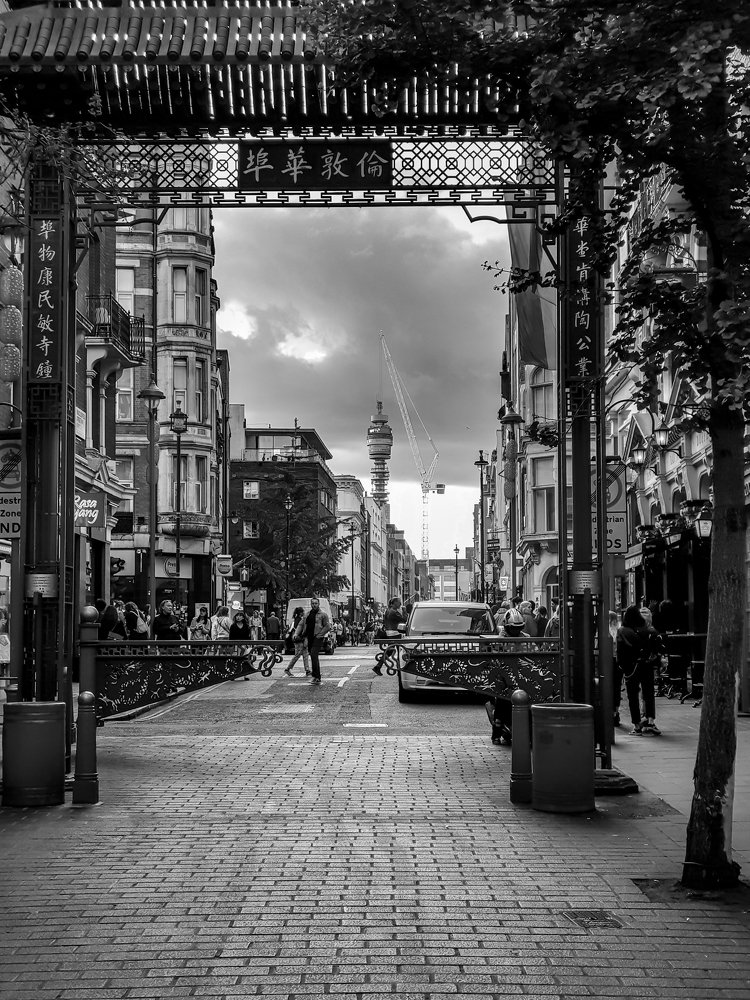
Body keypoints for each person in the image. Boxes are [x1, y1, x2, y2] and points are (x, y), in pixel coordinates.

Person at [616, 604, 664, 736]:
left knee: (632, 696)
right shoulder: (647, 630)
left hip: (631, 667)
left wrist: (621, 666)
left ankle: (637, 725)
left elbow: (620, 652)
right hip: (646, 665)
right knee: (648, 693)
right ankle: (650, 721)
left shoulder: (623, 630)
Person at [489, 608, 531, 744]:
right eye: (513, 628)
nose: (516, 631)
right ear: (507, 627)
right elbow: (495, 659)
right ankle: (496, 735)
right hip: (505, 679)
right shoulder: (500, 640)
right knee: (501, 706)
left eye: (518, 628)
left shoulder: (526, 638)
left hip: (522, 677)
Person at [374, 596, 406, 676]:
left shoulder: (388, 610)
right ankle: (399, 669)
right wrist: (404, 611)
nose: (400, 603)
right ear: (394, 603)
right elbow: (404, 619)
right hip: (395, 633)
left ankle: (378, 666)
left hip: (389, 632)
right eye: (399, 602)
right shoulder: (394, 612)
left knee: (390, 651)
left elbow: (385, 621)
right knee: (400, 651)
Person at [303, 596, 331, 685]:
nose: (314, 605)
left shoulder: (323, 615)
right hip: (310, 637)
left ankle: (316, 676)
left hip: (317, 637)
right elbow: (304, 625)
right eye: (313, 603)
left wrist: (320, 635)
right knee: (312, 656)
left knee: (314, 655)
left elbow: (327, 626)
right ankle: (315, 676)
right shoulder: (307, 614)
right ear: (311, 604)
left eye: (316, 603)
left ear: (319, 604)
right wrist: (302, 635)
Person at [284, 607, 310, 676]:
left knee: (305, 655)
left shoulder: (297, 619)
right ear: (300, 613)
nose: (304, 613)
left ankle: (307, 670)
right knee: (298, 655)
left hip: (300, 639)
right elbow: (300, 630)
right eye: (303, 612)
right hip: (299, 640)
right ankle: (287, 669)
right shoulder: (299, 620)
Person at [608, 610, 622, 727]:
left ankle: (608, 712)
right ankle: (615, 713)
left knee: (608, 687)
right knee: (617, 688)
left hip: (607, 661)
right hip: (618, 662)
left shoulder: (604, 631)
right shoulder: (619, 631)